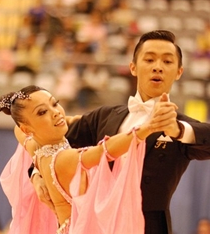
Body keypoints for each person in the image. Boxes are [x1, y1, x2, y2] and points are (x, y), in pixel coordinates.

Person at [31, 30, 210, 234]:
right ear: (133, 67)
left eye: (167, 62)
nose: (157, 67)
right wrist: (37, 174)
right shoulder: (104, 116)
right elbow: (46, 137)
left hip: (148, 226)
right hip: (95, 222)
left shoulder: (181, 127)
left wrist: (176, 130)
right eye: (149, 59)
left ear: (179, 72)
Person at [0, 85, 177, 233]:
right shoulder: (62, 159)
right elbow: (104, 150)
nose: (56, 112)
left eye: (55, 104)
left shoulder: (37, 150)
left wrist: (36, 176)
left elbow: (19, 131)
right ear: (28, 128)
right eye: (42, 112)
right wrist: (148, 128)